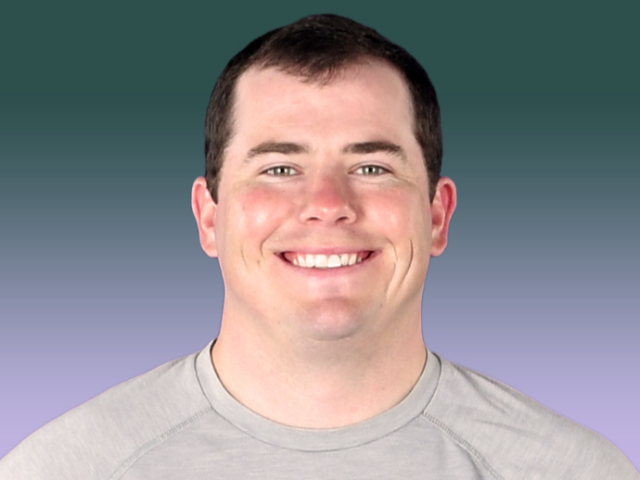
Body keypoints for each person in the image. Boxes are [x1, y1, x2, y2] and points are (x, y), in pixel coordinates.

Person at [1, 14, 637, 480]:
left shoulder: (574, 471)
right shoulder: (59, 470)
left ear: (437, 216)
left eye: (372, 168)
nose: (328, 202)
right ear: (209, 217)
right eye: (279, 168)